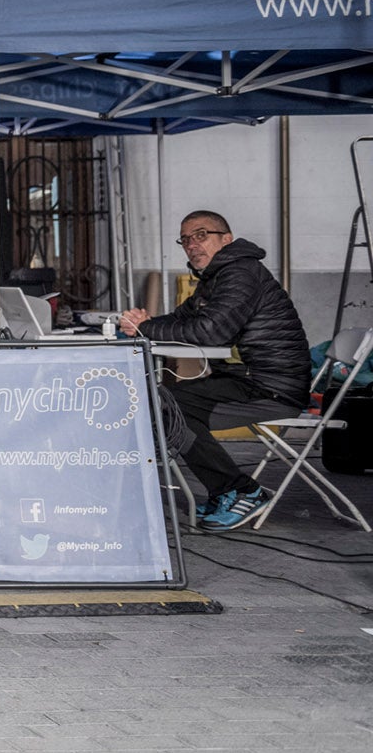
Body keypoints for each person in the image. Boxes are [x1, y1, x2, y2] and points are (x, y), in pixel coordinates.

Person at [119, 211, 312, 531]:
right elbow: (184, 320)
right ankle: (226, 490)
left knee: (167, 406)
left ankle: (241, 491)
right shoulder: (218, 277)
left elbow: (211, 332)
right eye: (185, 240)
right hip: (248, 380)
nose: (192, 245)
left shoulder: (240, 273)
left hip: (272, 388)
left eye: (201, 235)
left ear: (227, 239)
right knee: (165, 403)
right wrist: (141, 326)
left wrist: (148, 327)